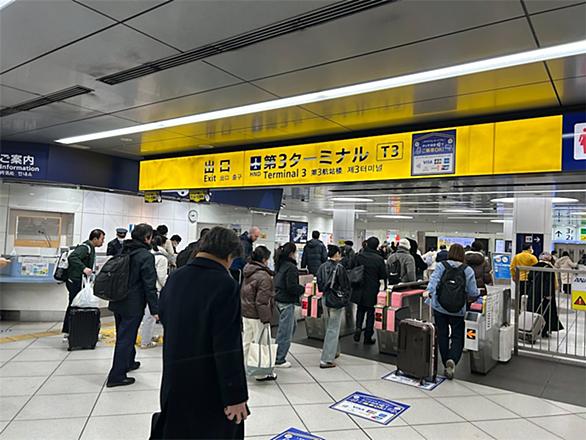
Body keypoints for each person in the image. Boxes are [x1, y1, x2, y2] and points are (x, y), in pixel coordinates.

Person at [153, 227, 248, 439]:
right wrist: (235, 396)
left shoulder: (175, 277)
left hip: (174, 378)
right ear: (229, 255)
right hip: (208, 384)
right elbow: (227, 344)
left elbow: (165, 317)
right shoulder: (225, 284)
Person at [107, 224, 159, 388]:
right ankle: (116, 376)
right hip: (133, 304)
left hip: (117, 300)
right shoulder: (145, 256)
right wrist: (155, 309)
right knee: (126, 338)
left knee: (123, 335)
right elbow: (149, 285)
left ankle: (129, 362)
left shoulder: (124, 250)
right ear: (147, 238)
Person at [426, 244, 479, 380]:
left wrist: (429, 293)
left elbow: (433, 282)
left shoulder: (441, 266)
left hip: (440, 307)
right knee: (457, 335)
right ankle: (453, 359)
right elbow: (473, 292)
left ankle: (446, 362)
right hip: (458, 309)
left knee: (442, 334)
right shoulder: (467, 270)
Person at [241, 246, 276, 381]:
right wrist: (266, 319)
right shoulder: (264, 276)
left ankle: (242, 367)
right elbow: (262, 301)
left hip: (246, 312)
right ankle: (261, 373)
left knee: (247, 341)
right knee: (261, 343)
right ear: (264, 259)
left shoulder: (247, 271)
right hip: (257, 315)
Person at [62, 229, 105, 336]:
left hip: (80, 281)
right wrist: (83, 268)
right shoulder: (85, 248)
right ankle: (68, 331)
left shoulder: (90, 248)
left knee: (78, 305)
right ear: (95, 239)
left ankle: (75, 330)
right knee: (74, 305)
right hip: (75, 281)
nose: (103, 242)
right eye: (101, 239)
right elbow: (72, 257)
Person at [317, 245, 350, 368]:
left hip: (325, 298)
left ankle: (334, 351)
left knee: (329, 326)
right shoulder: (340, 268)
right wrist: (345, 298)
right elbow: (345, 286)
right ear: (337, 254)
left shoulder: (322, 266)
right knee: (333, 328)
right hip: (336, 300)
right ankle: (326, 359)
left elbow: (320, 285)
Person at [351, 237, 387, 345]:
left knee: (360, 309)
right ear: (377, 246)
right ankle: (367, 336)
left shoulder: (359, 256)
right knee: (371, 313)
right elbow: (383, 275)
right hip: (372, 288)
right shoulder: (379, 259)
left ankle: (358, 328)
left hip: (359, 286)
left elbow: (352, 268)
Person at [274, 242, 305, 368]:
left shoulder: (280, 264)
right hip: (286, 301)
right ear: (292, 253)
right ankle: (279, 358)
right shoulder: (291, 267)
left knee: (291, 326)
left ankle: (279, 352)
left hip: (280, 299)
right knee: (285, 331)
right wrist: (302, 289)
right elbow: (291, 287)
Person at [139, 235, 168, 349]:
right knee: (150, 316)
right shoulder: (162, 258)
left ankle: (147, 336)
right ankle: (145, 341)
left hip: (142, 288)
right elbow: (161, 277)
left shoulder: (145, 254)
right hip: (155, 289)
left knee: (146, 316)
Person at [527, 253, 564, 338]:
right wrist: (548, 294)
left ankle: (530, 329)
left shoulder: (534, 266)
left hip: (533, 292)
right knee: (546, 313)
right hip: (544, 294)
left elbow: (529, 279)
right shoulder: (549, 268)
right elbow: (549, 282)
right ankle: (544, 331)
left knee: (533, 311)